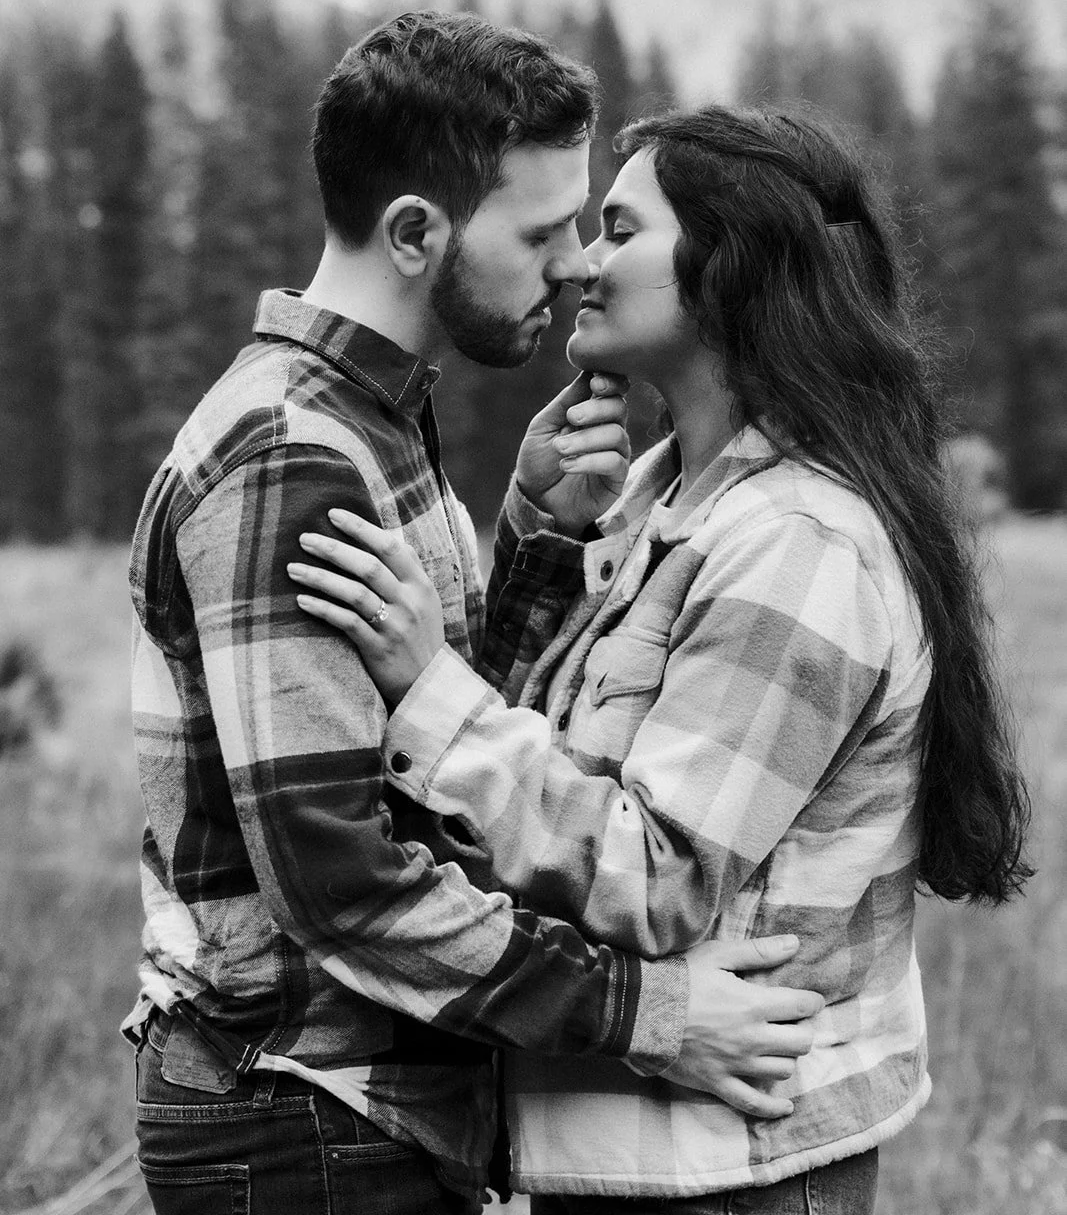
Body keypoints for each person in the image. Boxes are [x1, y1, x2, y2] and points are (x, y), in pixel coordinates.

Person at [126, 21, 825, 1215]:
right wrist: (646, 1014)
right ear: (414, 233)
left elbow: (417, 748)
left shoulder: (369, 419)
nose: (575, 265)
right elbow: (340, 883)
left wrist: (537, 539)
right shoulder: (291, 458)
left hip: (350, 1108)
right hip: (306, 1109)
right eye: (541, 232)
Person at [291, 102, 1032, 1214]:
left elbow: (655, 873)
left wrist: (426, 685)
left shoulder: (796, 546)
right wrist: (545, 537)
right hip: (639, 1148)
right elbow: (544, 783)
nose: (580, 262)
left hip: (727, 1168)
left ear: (728, 268)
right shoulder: (660, 498)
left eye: (621, 229)